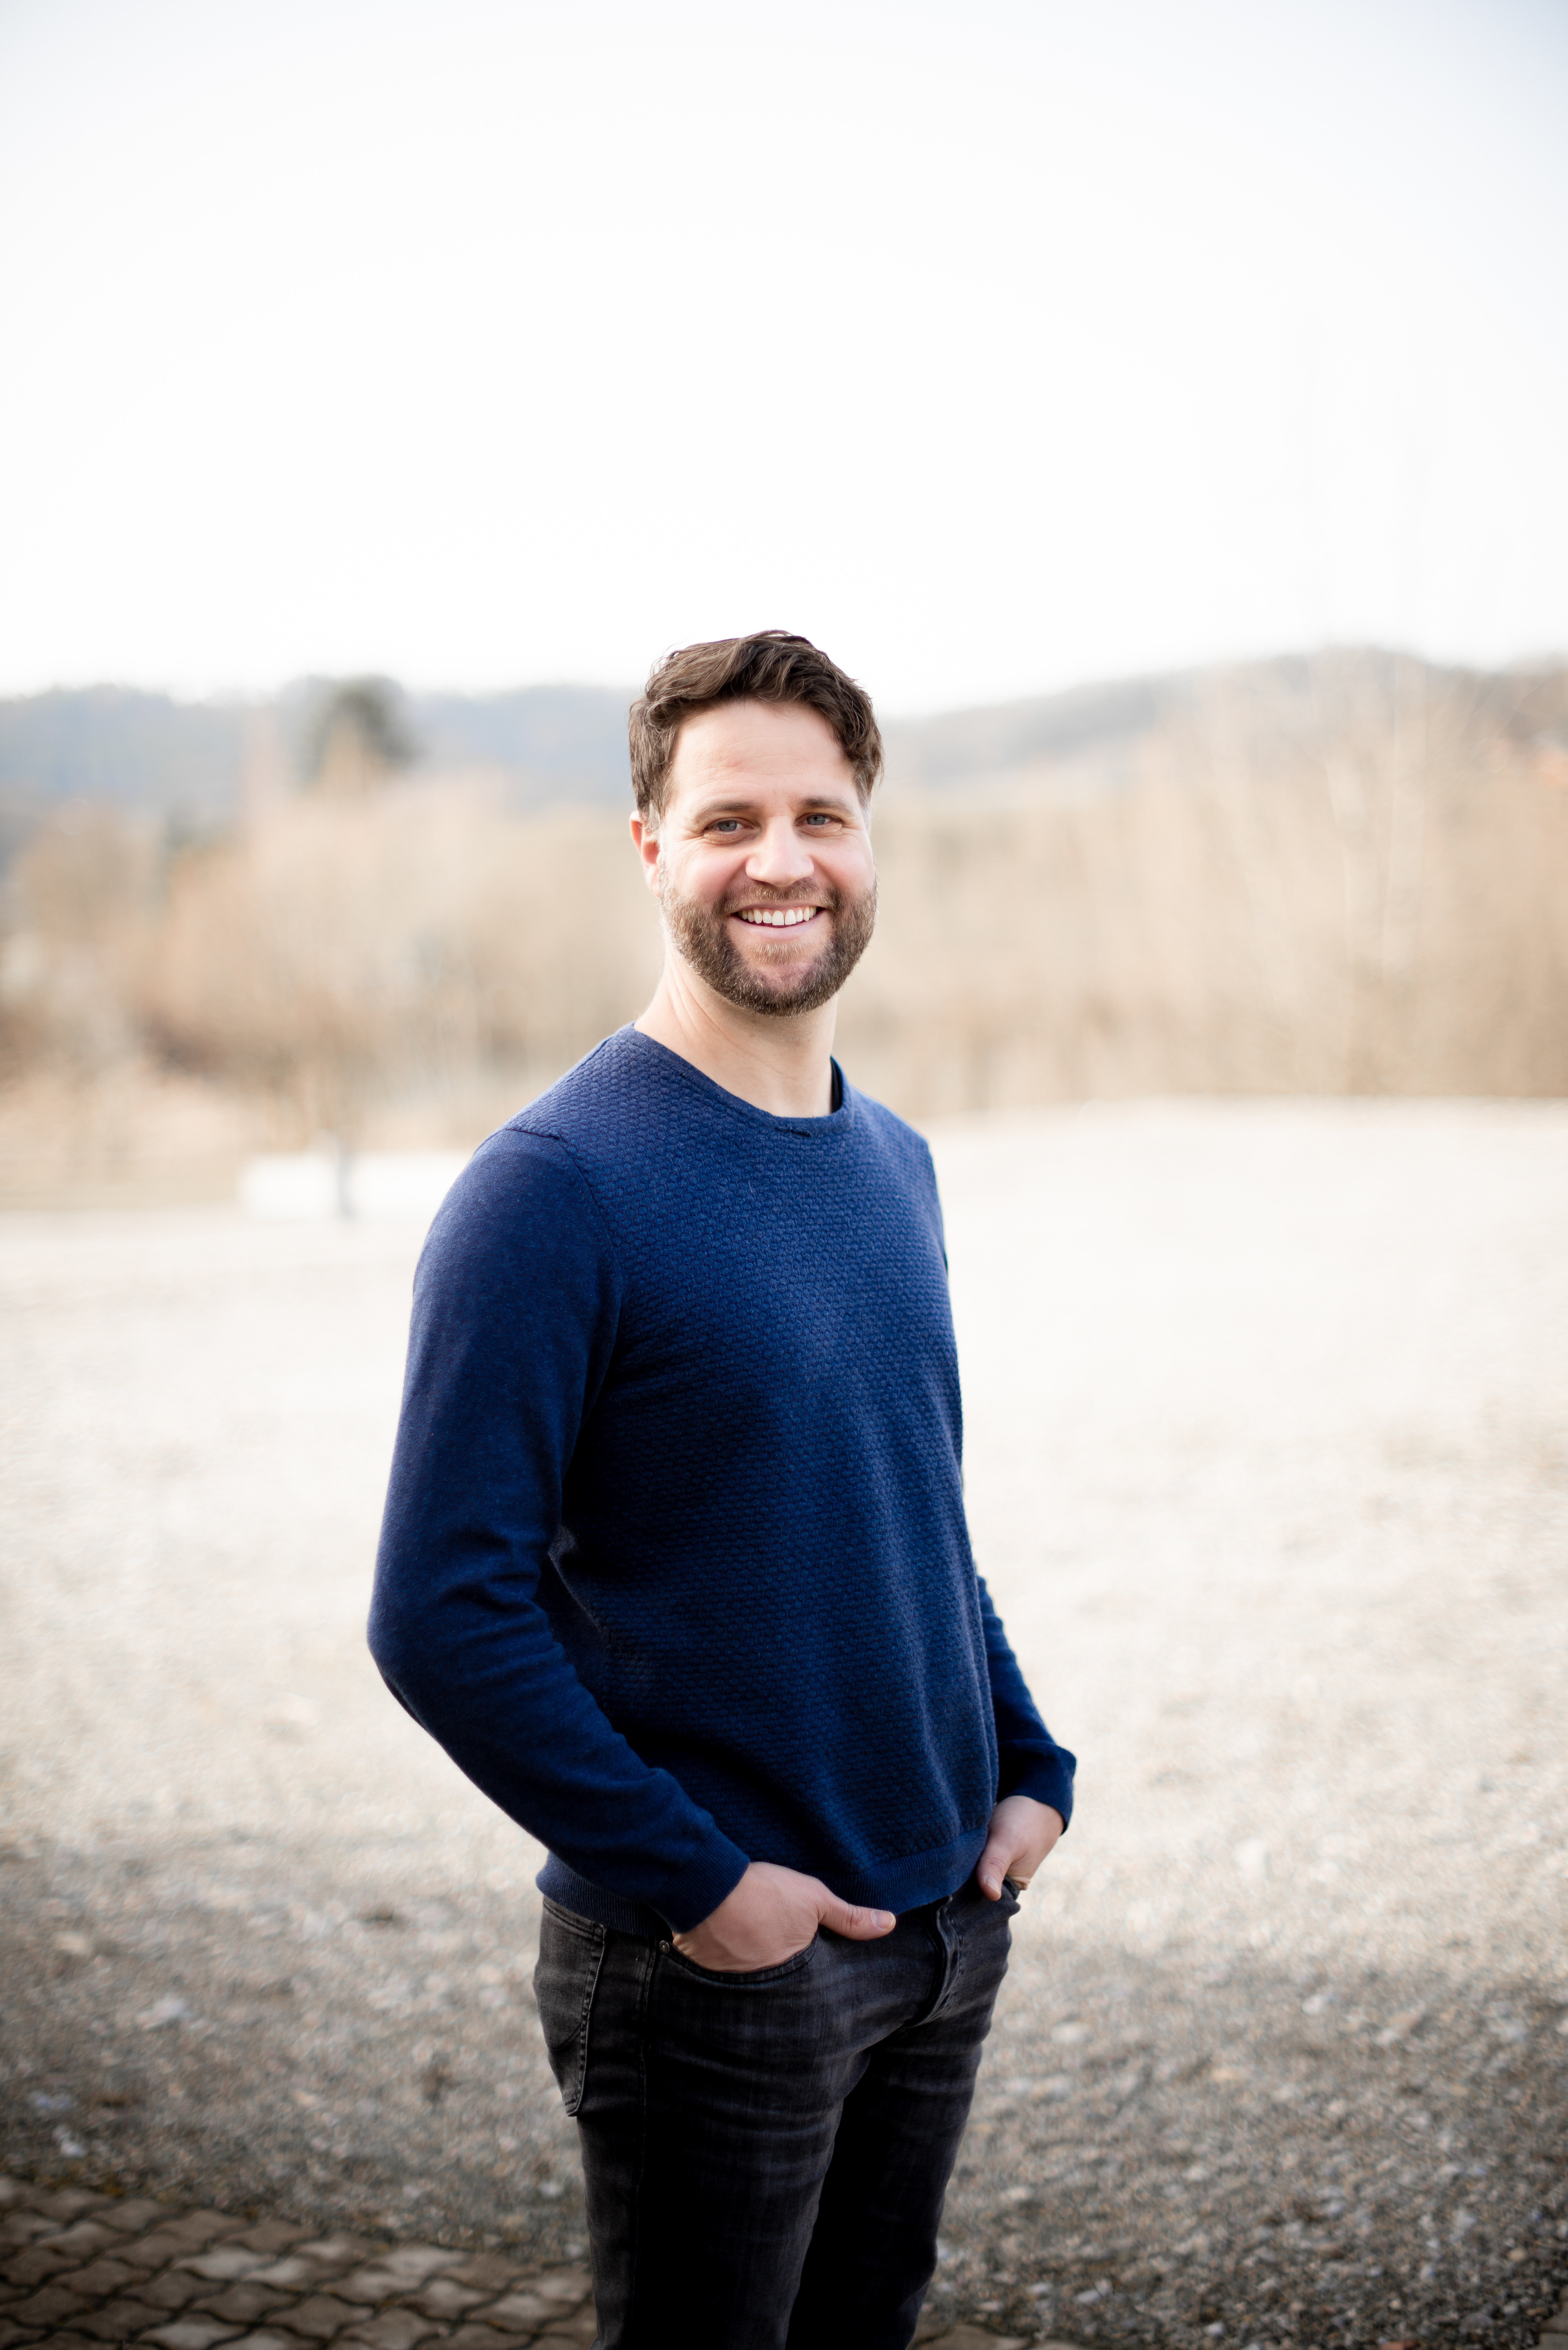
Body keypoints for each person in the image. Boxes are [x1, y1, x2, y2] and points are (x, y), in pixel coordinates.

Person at [368, 631, 1075, 2350]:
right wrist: (701, 1885)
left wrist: (1025, 1759)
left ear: (869, 839)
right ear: (651, 849)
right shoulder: (552, 1192)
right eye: (729, 820)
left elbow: (909, 1510)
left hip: (945, 1931)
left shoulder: (895, 1161)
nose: (782, 861)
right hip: (715, 1971)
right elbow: (441, 1614)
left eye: (821, 816)